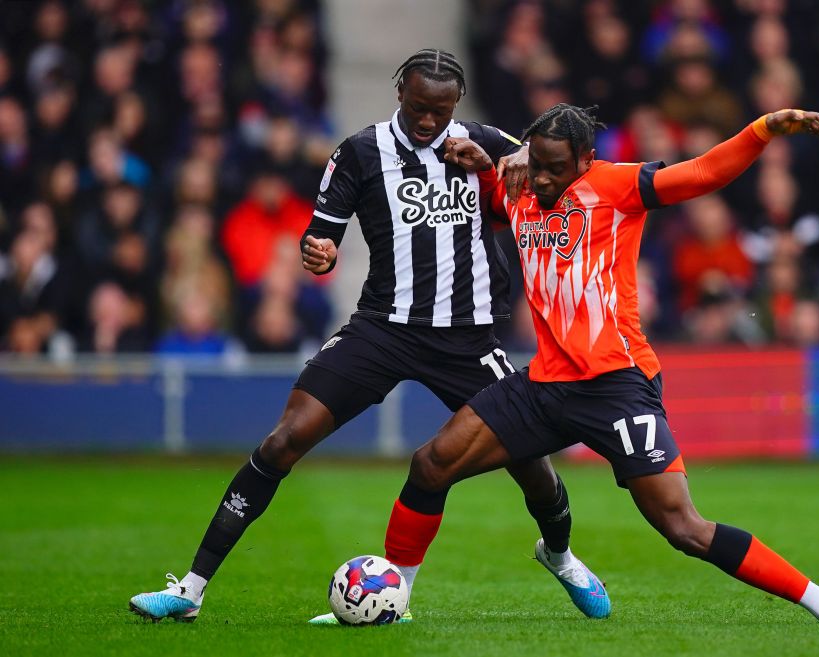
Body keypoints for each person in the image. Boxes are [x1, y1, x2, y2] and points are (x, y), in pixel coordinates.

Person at [129, 50, 608, 624]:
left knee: (532, 460)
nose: (428, 121)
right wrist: (319, 252)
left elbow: (551, 171)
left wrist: (506, 160)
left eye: (440, 110)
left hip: (468, 337)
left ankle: (559, 555)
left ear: (456, 105)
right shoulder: (359, 151)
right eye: (417, 107)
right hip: (382, 329)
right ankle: (191, 588)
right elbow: (322, 234)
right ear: (399, 93)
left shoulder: (484, 140)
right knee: (285, 440)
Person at [378, 104, 819, 625]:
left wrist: (762, 130)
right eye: (539, 164)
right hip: (545, 383)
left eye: (556, 167)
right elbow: (492, 191)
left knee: (683, 527)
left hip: (616, 384)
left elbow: (702, 172)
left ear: (586, 159)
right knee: (431, 464)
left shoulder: (616, 186)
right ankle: (393, 602)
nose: (545, 179)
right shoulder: (520, 186)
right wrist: (488, 164)